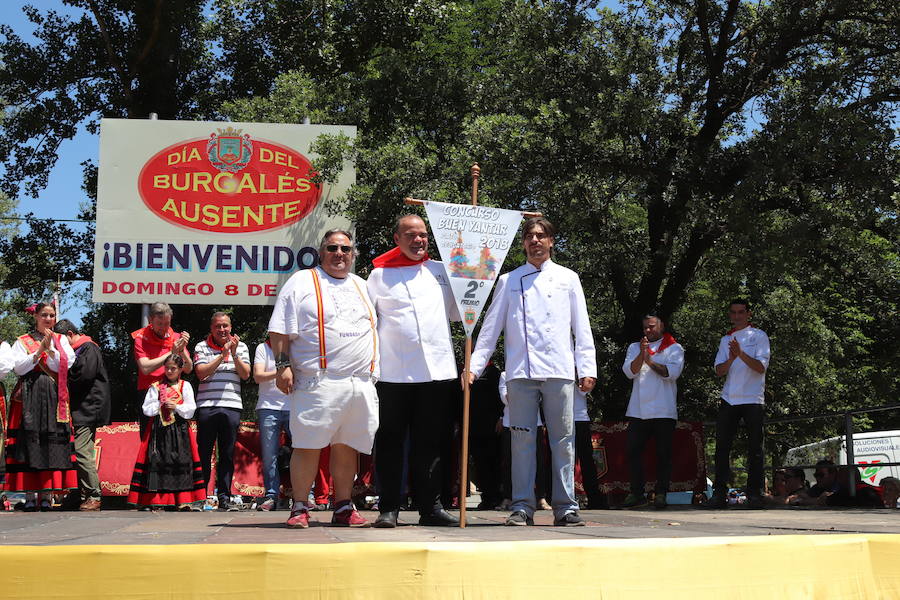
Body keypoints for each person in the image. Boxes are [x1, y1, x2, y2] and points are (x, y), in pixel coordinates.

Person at [468, 217, 597, 527]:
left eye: (541, 236)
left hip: (559, 370)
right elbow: (490, 329)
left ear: (551, 241)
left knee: (563, 441)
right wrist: (473, 367)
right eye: (530, 236)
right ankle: (522, 505)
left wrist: (587, 366)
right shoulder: (508, 280)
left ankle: (565, 506)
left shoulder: (568, 278)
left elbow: (581, 326)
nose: (535, 241)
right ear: (523, 242)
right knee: (521, 441)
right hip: (521, 371)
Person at [268, 230, 379, 529]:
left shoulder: (364, 286)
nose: (339, 253)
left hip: (359, 382)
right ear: (321, 252)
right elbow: (279, 328)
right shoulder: (301, 281)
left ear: (353, 254)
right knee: (308, 444)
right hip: (318, 380)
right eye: (332, 248)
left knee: (348, 445)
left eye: (346, 248)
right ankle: (300, 506)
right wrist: (282, 366)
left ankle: (343, 506)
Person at [366, 214, 461, 528]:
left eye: (422, 235)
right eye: (411, 235)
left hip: (436, 373)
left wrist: (471, 283)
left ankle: (430, 507)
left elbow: (460, 315)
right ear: (397, 239)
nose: (418, 240)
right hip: (393, 373)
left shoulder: (441, 272)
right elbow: (368, 323)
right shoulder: (378, 276)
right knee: (390, 442)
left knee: (430, 444)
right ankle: (389, 506)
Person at [3, 302, 77, 511]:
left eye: (51, 315)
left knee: (49, 442)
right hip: (29, 393)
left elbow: (66, 364)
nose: (48, 319)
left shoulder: (61, 340)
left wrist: (51, 350)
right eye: (44, 315)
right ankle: (28, 496)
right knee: (29, 442)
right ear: (35, 316)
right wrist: (38, 352)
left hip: (53, 395)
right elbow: (19, 368)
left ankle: (47, 495)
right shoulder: (23, 341)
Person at [708, 299, 771, 509]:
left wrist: (741, 353)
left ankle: (755, 493)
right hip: (729, 398)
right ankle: (719, 494)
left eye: (741, 312)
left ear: (748, 314)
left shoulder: (759, 336)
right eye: (733, 312)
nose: (737, 316)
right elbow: (719, 371)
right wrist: (732, 357)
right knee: (722, 448)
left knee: (755, 448)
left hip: (753, 398)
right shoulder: (726, 339)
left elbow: (760, 367)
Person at [620, 314, 685, 509]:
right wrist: (642, 354)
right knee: (633, 452)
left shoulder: (674, 348)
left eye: (651, 327)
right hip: (638, 409)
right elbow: (629, 372)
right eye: (645, 328)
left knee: (663, 454)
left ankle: (661, 493)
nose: (648, 331)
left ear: (661, 325)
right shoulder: (634, 347)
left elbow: (670, 373)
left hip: (663, 410)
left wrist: (650, 360)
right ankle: (636, 492)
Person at [127, 353, 205, 510]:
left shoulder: (185, 386)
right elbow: (146, 409)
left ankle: (183, 500)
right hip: (159, 431)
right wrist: (160, 405)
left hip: (180, 431)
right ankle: (158, 500)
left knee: (181, 462)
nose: (169, 371)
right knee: (159, 463)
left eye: (173, 368)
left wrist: (176, 407)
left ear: (180, 369)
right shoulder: (156, 387)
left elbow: (191, 409)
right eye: (167, 368)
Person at [52, 319, 112, 511]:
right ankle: (80, 493)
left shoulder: (88, 348)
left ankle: (94, 495)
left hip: (89, 407)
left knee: (82, 451)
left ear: (70, 335)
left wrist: (63, 379)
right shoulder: (80, 349)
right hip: (80, 407)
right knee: (75, 452)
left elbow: (84, 376)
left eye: (62, 344)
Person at [193, 312, 250, 511]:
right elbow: (201, 373)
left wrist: (233, 353)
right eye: (218, 326)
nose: (222, 330)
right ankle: (199, 497)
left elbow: (245, 375)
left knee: (227, 453)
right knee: (204, 453)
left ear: (231, 327)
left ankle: (224, 496)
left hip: (232, 406)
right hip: (207, 406)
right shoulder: (201, 346)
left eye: (225, 326)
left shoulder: (241, 347)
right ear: (212, 329)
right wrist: (222, 355)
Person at [132, 302, 192, 420]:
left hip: (174, 391)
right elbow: (145, 368)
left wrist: (182, 351)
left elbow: (188, 368)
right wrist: (171, 353)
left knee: (174, 435)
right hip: (150, 392)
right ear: (150, 320)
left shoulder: (176, 337)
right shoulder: (140, 338)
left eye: (167, 323)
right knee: (150, 435)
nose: (164, 328)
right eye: (159, 323)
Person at [253, 334, 290, 511]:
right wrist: (282, 371)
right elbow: (258, 376)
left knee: (304, 450)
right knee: (270, 455)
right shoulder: (263, 348)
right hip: (268, 406)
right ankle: (271, 495)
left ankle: (306, 495)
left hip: (294, 405)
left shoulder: (294, 347)